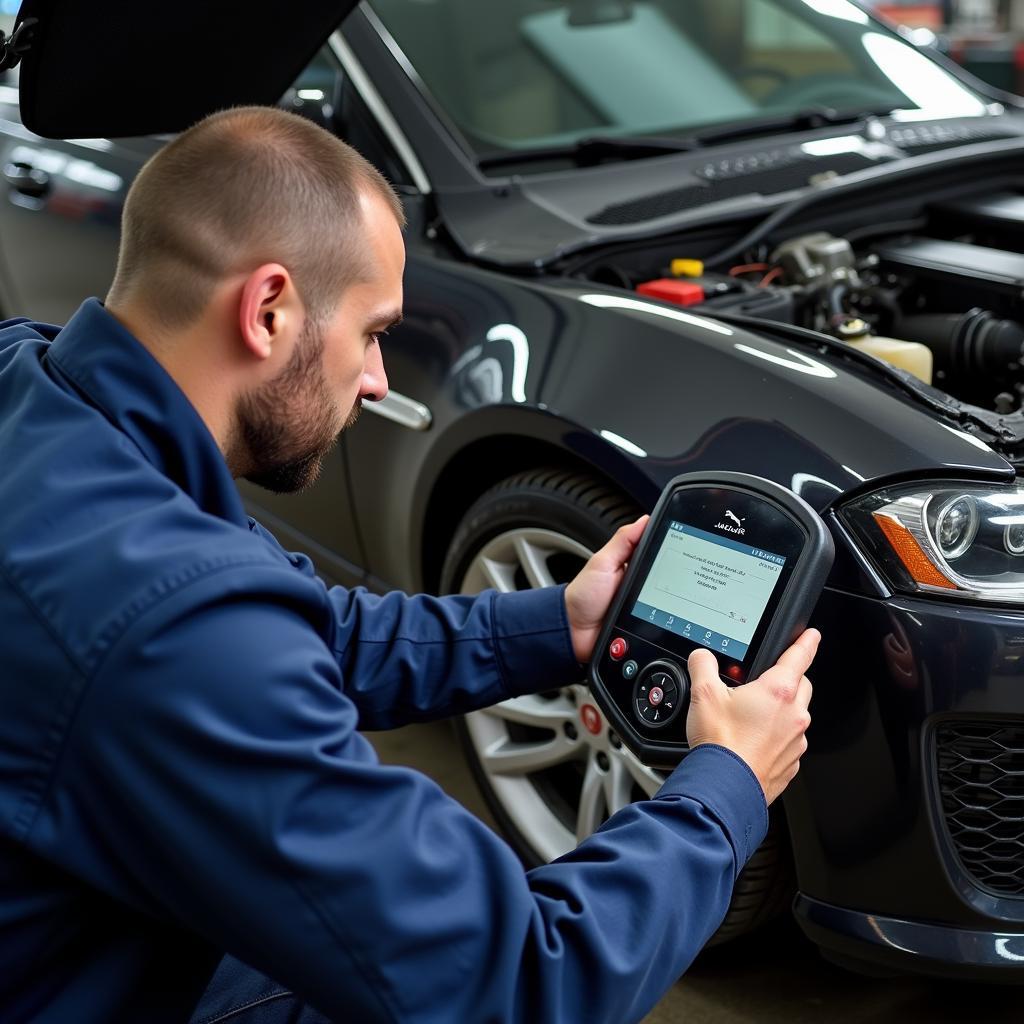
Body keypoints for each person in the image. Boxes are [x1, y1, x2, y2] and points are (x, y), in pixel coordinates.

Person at [0, 106, 817, 1024]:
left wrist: (560, 622)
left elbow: (290, 635)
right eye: (373, 331)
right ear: (268, 310)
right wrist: (726, 787)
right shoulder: (164, 620)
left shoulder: (32, 387)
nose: (380, 379)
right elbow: (523, 982)